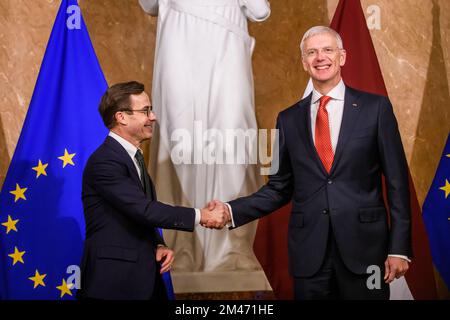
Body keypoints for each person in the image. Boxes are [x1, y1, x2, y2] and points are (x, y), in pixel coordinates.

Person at [210, 26, 412, 300]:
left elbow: (398, 183)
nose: (320, 57)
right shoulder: (287, 119)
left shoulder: (376, 109)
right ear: (305, 63)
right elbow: (278, 188)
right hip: (309, 256)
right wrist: (231, 210)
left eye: (327, 50)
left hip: (366, 252)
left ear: (342, 57)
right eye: (312, 52)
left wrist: (398, 248)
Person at [139, 0, 271, 272]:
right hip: (178, 37)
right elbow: (149, 4)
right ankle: (183, 244)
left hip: (227, 39)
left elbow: (260, 11)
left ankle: (233, 245)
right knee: (179, 141)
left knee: (233, 138)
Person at [78, 81, 227, 300]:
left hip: (140, 279)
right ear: (121, 117)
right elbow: (144, 209)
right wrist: (201, 215)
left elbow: (131, 215)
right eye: (145, 111)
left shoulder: (132, 158)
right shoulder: (105, 162)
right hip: (113, 284)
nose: (153, 117)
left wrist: (156, 244)